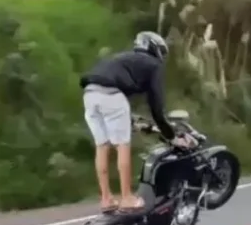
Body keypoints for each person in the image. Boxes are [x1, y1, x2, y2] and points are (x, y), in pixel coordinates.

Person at [79, 31, 195, 213]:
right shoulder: (153, 64)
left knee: (102, 146)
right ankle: (127, 198)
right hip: (111, 96)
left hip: (90, 94)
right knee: (122, 146)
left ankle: (106, 199)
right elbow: (156, 107)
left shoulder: (122, 58)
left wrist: (131, 120)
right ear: (156, 49)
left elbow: (116, 88)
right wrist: (171, 137)